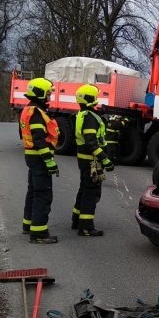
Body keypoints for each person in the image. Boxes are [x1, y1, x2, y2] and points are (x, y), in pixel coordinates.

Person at [19, 77, 59, 244]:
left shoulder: (30, 110)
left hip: (32, 157)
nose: (49, 97)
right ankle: (39, 234)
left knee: (33, 191)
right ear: (40, 94)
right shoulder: (36, 113)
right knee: (43, 194)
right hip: (39, 157)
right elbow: (39, 140)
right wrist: (49, 160)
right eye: (48, 94)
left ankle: (28, 225)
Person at [71, 84, 114, 237]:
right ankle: (86, 227)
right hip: (92, 161)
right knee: (91, 192)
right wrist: (105, 159)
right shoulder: (90, 117)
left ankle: (76, 221)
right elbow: (91, 142)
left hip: (84, 160)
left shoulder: (82, 114)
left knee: (84, 189)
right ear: (91, 98)